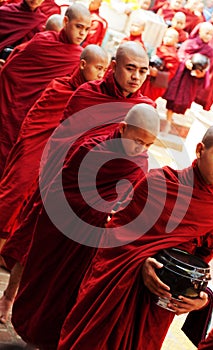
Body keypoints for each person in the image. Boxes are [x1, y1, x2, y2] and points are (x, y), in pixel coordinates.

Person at [1, 40, 153, 326]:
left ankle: (52, 318)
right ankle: (10, 296)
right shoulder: (87, 94)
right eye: (130, 68)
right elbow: (63, 140)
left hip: (104, 194)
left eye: (143, 71)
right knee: (33, 239)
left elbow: (140, 154)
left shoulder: (144, 107)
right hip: (64, 182)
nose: (136, 76)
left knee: (74, 260)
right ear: (113, 67)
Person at [56, 124, 213, 350]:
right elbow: (114, 236)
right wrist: (139, 263)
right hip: (116, 291)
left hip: (157, 305)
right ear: (200, 150)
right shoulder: (159, 182)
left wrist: (200, 297)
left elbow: (201, 263)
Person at [12, 103, 160, 350]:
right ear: (123, 129)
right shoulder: (90, 149)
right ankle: (31, 335)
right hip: (62, 234)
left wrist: (116, 217)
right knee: (46, 286)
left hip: (92, 244)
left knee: (70, 298)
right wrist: (99, 212)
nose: (141, 149)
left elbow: (128, 201)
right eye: (137, 141)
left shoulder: (140, 162)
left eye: (148, 145)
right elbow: (63, 192)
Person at [0, 44, 109, 271]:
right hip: (36, 148)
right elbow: (35, 122)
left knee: (35, 203)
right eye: (98, 68)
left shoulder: (95, 98)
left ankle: (12, 252)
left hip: (57, 160)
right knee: (18, 186)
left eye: (104, 70)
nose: (101, 74)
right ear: (82, 65)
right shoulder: (59, 87)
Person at [0, 3, 91, 179]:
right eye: (79, 27)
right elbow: (12, 70)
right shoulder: (43, 40)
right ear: (66, 22)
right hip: (14, 109)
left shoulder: (80, 59)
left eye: (86, 29)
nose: (83, 33)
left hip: (40, 118)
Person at [163, 21, 213, 127]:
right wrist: (186, 61)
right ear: (200, 32)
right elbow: (180, 55)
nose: (209, 36)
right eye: (206, 33)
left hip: (192, 79)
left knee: (184, 101)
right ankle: (168, 120)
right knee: (173, 100)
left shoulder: (209, 50)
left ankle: (171, 120)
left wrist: (202, 72)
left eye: (211, 34)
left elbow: (208, 65)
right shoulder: (190, 43)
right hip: (182, 76)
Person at [141, 27, 179, 102]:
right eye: (165, 36)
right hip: (146, 78)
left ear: (176, 40)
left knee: (146, 101)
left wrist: (157, 74)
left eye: (170, 37)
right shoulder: (158, 47)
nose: (166, 38)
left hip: (155, 83)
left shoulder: (173, 57)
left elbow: (171, 74)